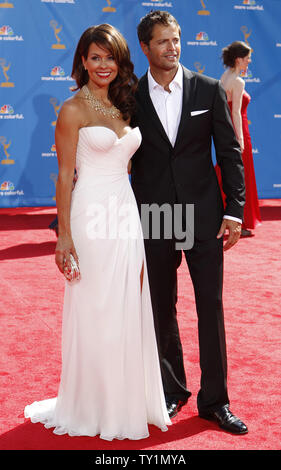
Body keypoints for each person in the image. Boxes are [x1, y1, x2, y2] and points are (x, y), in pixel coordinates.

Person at [24, 24, 170, 440]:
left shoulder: (127, 104)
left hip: (125, 213)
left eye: (110, 57)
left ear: (121, 61)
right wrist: (63, 236)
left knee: (128, 304)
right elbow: (65, 176)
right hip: (90, 216)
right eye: (94, 57)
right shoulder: (73, 110)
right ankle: (94, 403)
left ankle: (127, 399)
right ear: (82, 61)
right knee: (98, 308)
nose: (102, 65)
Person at [130, 10, 248, 434]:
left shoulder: (208, 89)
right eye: (163, 41)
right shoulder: (131, 96)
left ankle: (215, 401)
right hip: (157, 215)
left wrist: (234, 209)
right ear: (145, 47)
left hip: (204, 215)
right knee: (161, 308)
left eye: (176, 40)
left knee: (210, 308)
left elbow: (230, 154)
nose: (172, 48)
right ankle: (172, 389)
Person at [217, 41, 261, 237]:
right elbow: (235, 112)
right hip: (239, 129)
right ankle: (240, 221)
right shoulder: (238, 81)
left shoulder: (225, 76)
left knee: (227, 174)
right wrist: (240, 140)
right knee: (241, 178)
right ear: (238, 59)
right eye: (247, 58)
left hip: (229, 131)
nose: (249, 62)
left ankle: (223, 215)